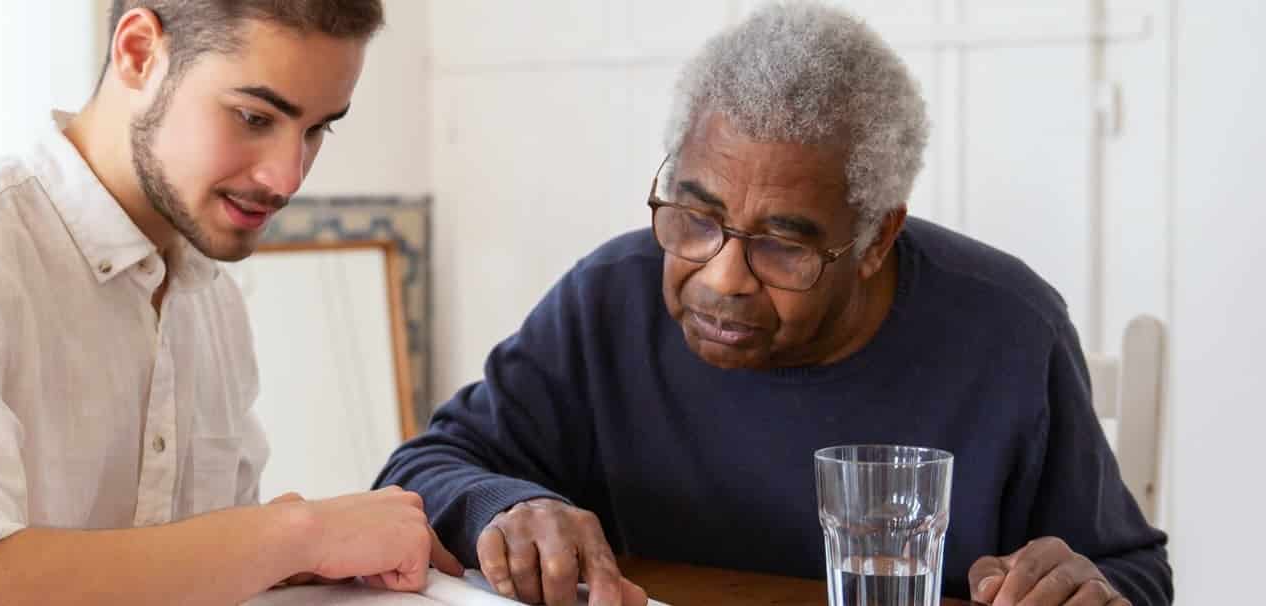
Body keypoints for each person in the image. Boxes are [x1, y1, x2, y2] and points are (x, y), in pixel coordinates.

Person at [375, 3, 1171, 606]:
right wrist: (508, 503)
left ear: (875, 239)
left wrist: (1082, 587)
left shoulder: (1008, 331)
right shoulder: (606, 300)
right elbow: (419, 471)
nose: (721, 278)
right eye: (694, 217)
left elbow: (1132, 572)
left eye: (783, 244)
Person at [0, 2, 459, 604]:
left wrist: (302, 555)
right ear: (138, 52)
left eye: (316, 129)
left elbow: (178, 565)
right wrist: (292, 535)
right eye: (253, 116)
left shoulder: (209, 302)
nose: (287, 175)